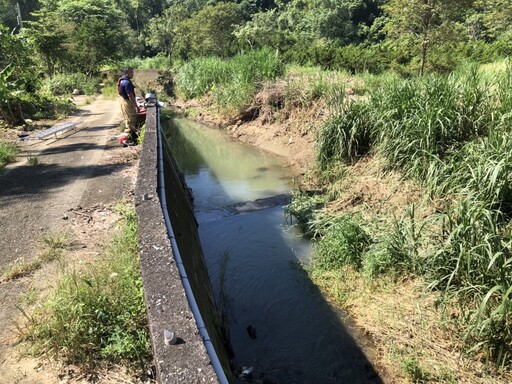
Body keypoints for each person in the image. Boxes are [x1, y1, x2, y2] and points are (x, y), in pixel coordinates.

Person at [117, 67, 139, 145]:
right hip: (127, 102)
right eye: (131, 73)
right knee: (131, 120)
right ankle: (129, 140)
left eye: (132, 72)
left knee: (128, 119)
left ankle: (132, 138)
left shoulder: (122, 80)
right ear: (127, 73)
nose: (132, 74)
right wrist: (136, 106)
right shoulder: (127, 82)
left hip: (123, 101)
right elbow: (130, 95)